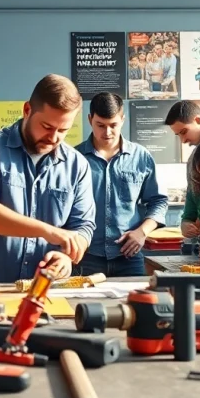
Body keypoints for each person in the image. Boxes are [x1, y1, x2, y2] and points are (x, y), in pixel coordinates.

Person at [0, 74, 96, 284]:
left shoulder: (78, 165)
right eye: (47, 127)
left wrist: (66, 257)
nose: (54, 137)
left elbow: (83, 226)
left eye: (63, 130)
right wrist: (50, 232)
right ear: (27, 110)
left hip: (42, 291)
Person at [75, 92, 168, 277]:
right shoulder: (75, 159)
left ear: (123, 120)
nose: (107, 132)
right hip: (86, 257)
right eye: (100, 125)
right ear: (89, 119)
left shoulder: (141, 157)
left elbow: (158, 201)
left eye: (113, 125)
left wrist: (142, 232)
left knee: (135, 305)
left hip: (129, 257)